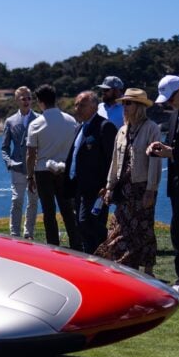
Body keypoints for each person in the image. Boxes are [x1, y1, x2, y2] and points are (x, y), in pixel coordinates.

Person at [95, 88, 161, 274]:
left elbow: (155, 162)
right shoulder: (122, 131)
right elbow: (115, 162)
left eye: (128, 103)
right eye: (123, 103)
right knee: (118, 230)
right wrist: (109, 186)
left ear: (139, 106)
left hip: (142, 188)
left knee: (144, 229)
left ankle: (147, 269)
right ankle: (124, 267)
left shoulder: (151, 128)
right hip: (124, 190)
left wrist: (151, 190)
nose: (124, 106)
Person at [26, 84, 81, 248]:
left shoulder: (36, 124)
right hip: (65, 169)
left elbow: (31, 154)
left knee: (48, 212)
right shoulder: (71, 121)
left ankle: (53, 246)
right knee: (68, 211)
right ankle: (77, 244)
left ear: (40, 101)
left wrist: (30, 176)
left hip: (43, 171)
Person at [64, 91, 117, 253]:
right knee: (81, 224)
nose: (77, 108)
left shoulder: (105, 126)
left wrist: (107, 186)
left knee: (88, 222)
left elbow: (112, 160)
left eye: (82, 105)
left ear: (94, 106)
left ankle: (110, 245)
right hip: (79, 186)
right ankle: (92, 256)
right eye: (76, 104)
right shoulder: (80, 127)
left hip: (97, 189)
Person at [147, 74, 179, 291]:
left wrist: (172, 153)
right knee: (178, 232)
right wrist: (161, 149)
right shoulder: (174, 115)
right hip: (177, 186)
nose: (168, 103)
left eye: (171, 98)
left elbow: (175, 150)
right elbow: (173, 146)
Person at [1, 86, 38, 239]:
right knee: (17, 200)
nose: (27, 101)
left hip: (35, 168)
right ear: (17, 100)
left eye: (29, 98)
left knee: (33, 202)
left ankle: (28, 232)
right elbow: (4, 147)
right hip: (17, 168)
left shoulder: (39, 119)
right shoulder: (10, 121)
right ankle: (14, 233)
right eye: (23, 98)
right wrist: (9, 162)